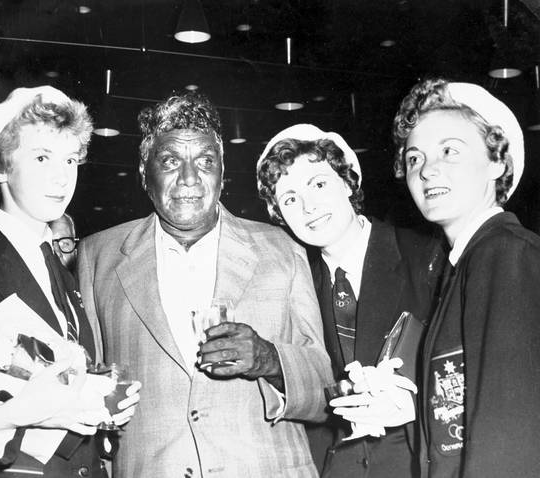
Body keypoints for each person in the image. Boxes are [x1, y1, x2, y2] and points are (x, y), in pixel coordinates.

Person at [77, 92, 333, 477]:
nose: (190, 178)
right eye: (170, 161)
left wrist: (268, 359)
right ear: (144, 173)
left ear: (222, 172)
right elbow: (89, 379)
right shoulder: (98, 255)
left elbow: (324, 386)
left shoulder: (282, 248)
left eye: (205, 161)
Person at [0, 86, 139, 477]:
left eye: (70, 160)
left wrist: (98, 401)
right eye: (42, 157)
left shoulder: (66, 278)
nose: (62, 177)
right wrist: (13, 415)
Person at [256, 124, 445, 477]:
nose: (309, 206)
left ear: (347, 182)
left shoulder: (429, 258)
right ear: (280, 215)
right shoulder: (291, 286)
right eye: (291, 199)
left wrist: (415, 402)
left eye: (319, 184)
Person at [392, 78, 540, 477]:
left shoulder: (505, 255)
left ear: (497, 162)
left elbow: (509, 435)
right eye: (414, 159)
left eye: (449, 151)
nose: (427, 170)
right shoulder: (466, 265)